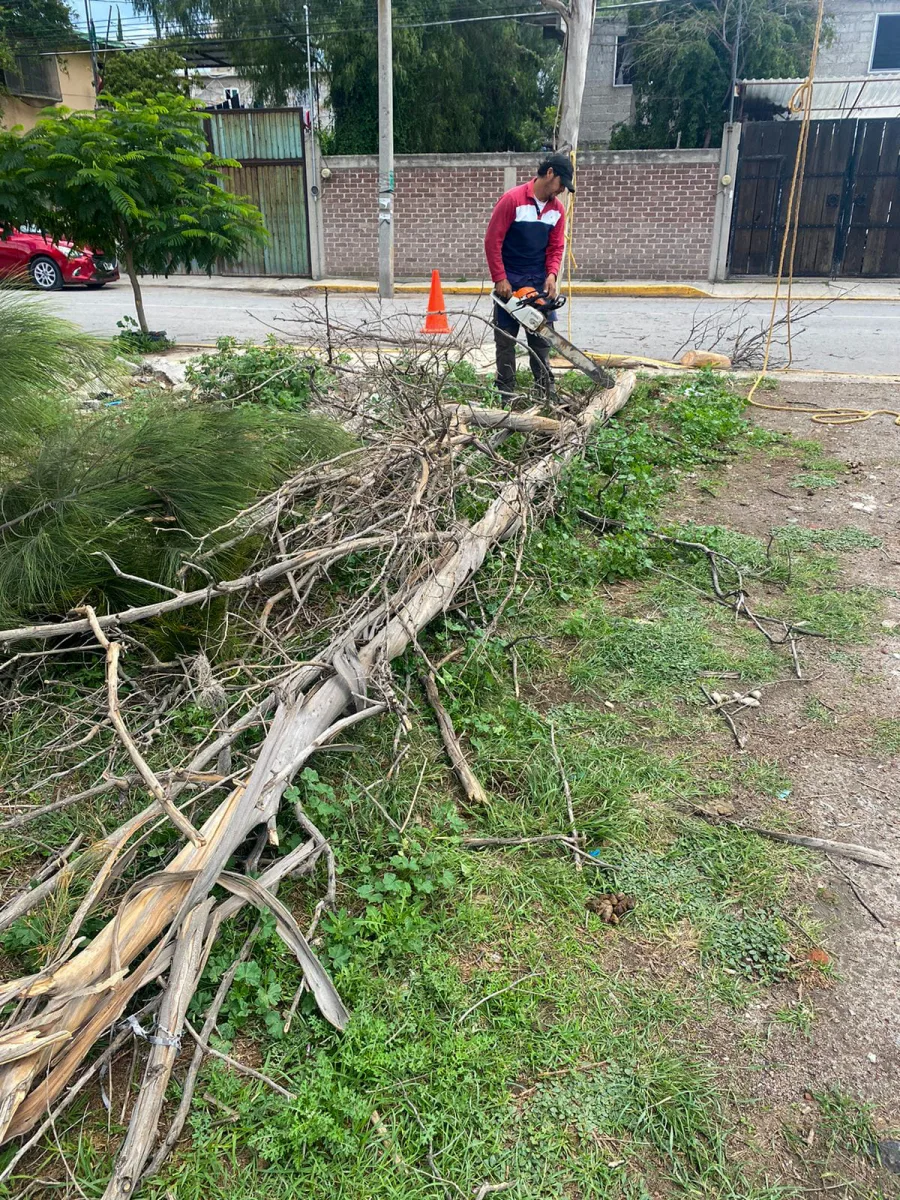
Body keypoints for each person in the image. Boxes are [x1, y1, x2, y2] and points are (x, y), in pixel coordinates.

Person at [483, 153, 574, 402]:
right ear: (550, 173)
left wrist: (552, 275)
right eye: (561, 183)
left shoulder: (557, 210)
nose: (562, 189)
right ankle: (506, 392)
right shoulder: (512, 200)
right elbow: (493, 241)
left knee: (542, 340)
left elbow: (556, 247)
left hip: (538, 281)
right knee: (505, 340)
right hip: (509, 280)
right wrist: (500, 277)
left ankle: (545, 389)